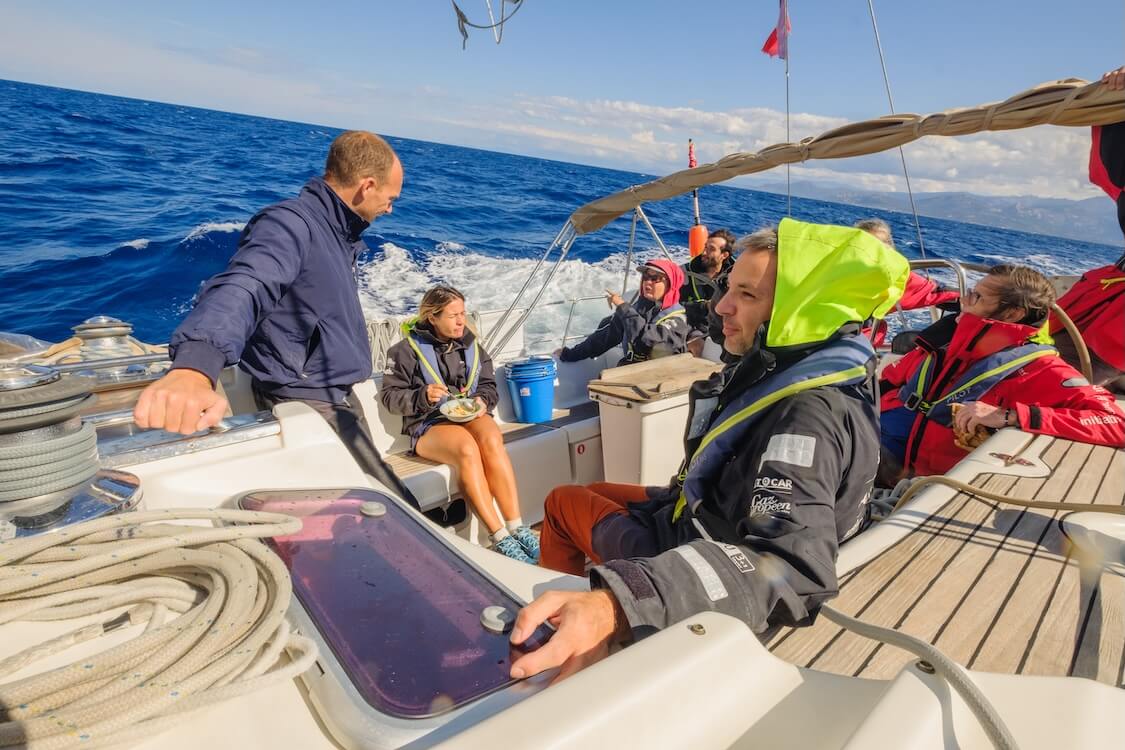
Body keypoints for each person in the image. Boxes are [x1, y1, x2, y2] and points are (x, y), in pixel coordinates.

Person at [509, 219, 908, 681]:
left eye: (747, 295)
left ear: (799, 311)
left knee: (562, 503)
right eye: (729, 288)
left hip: (703, 546)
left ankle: (566, 635)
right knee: (594, 489)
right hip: (701, 514)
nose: (722, 305)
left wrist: (615, 603)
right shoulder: (817, 367)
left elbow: (789, 565)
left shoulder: (807, 416)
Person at [133, 131, 415, 502]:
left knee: (387, 501)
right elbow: (245, 285)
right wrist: (195, 366)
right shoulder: (291, 225)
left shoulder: (338, 233)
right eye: (390, 199)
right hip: (309, 402)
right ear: (366, 186)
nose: (390, 209)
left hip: (335, 395)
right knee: (394, 510)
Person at [878, 264, 1125, 486]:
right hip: (874, 443)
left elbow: (1116, 423)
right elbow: (886, 382)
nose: (965, 300)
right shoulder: (944, 342)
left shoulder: (1040, 369)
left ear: (1012, 314)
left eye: (977, 297)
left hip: (912, 475)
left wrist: (1010, 416)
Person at [379, 286, 539, 563]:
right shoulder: (404, 351)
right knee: (466, 448)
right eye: (453, 315)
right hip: (427, 423)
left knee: (490, 436)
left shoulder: (471, 345)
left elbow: (489, 386)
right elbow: (390, 397)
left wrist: (481, 402)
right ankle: (499, 536)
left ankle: (518, 527)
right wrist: (422, 396)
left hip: (467, 415)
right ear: (432, 317)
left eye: (462, 314)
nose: (461, 321)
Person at [1048, 66, 1125, 387]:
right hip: (1099, 302)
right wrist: (1114, 100)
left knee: (1047, 383)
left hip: (1113, 329)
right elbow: (1113, 166)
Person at [556, 259, 689, 366]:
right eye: (646, 277)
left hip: (663, 378)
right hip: (633, 372)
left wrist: (624, 308)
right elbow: (603, 338)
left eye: (656, 279)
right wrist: (569, 354)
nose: (648, 282)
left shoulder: (677, 319)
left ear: (670, 284)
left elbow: (647, 340)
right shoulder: (637, 309)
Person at [854, 218, 961, 347]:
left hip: (852, 342)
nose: (872, 251)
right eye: (865, 244)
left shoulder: (897, 279)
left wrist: (976, 300)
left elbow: (938, 293)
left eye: (879, 246)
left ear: (890, 250)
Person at [679, 228, 736, 355]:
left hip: (724, 328)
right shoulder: (684, 274)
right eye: (705, 247)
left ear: (724, 255)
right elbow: (674, 308)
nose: (704, 252)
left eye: (711, 249)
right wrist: (704, 306)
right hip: (691, 327)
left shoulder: (738, 276)